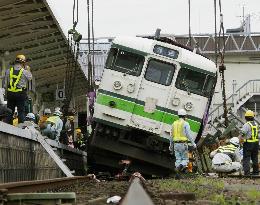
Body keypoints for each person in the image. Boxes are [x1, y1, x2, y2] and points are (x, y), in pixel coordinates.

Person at [3, 54, 32, 124]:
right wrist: (28, 69)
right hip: (20, 94)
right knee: (21, 111)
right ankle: (21, 128)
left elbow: (5, 84)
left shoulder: (8, 71)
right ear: (23, 63)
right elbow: (30, 78)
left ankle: (8, 126)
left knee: (9, 111)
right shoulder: (24, 71)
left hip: (10, 94)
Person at [240, 110, 259, 175]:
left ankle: (247, 173)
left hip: (248, 144)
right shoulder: (256, 124)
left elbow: (242, 134)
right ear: (253, 117)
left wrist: (239, 139)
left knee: (246, 158)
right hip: (256, 143)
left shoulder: (246, 125)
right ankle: (256, 172)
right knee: (255, 157)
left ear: (246, 117)